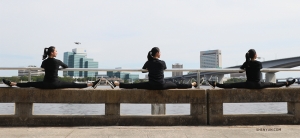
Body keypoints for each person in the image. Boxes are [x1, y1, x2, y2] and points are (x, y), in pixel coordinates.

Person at [2, 46, 100, 89]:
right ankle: (91, 84)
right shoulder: (57, 61)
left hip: (45, 84)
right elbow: (66, 67)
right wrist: (59, 67)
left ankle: (12, 83)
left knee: (29, 83)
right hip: (55, 84)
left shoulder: (44, 61)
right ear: (52, 52)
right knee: (73, 84)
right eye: (56, 51)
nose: (57, 52)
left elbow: (42, 67)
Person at [107, 47, 200, 90]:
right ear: (157, 53)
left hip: (151, 85)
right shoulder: (162, 62)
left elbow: (143, 71)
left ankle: (117, 84)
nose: (160, 53)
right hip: (161, 85)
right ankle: (193, 84)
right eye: (160, 52)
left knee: (134, 85)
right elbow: (164, 68)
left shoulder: (148, 62)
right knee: (176, 84)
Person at [206, 49, 295, 89]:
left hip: (248, 84)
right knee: (273, 84)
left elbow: (241, 70)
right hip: (258, 85)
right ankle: (287, 83)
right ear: (255, 55)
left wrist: (247, 61)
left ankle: (215, 84)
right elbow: (259, 67)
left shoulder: (246, 63)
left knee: (231, 85)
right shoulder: (259, 63)